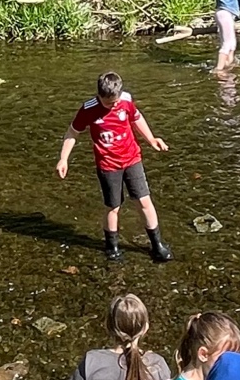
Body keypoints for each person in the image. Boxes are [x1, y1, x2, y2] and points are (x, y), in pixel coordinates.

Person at [56, 72, 172, 262]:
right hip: (108, 165)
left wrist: (151, 139)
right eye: (109, 103)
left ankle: (157, 244)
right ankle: (112, 246)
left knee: (144, 201)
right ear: (100, 96)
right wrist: (63, 158)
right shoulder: (88, 109)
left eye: (116, 101)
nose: (114, 105)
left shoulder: (125, 101)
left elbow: (136, 117)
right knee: (113, 206)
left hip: (132, 159)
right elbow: (72, 132)